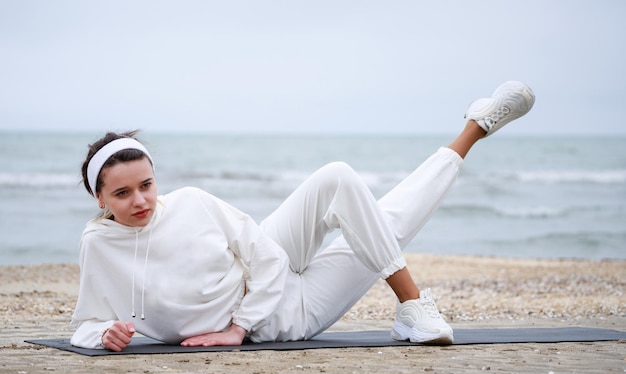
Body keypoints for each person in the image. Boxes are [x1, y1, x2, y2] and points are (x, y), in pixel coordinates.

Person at [70, 81, 535, 351]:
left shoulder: (191, 201)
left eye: (147, 185)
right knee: (385, 227)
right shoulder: (98, 245)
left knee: (337, 176)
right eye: (123, 193)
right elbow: (87, 323)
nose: (141, 201)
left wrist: (235, 328)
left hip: (267, 267)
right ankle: (472, 131)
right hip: (284, 313)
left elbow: (264, 255)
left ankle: (411, 307)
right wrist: (105, 335)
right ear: (100, 199)